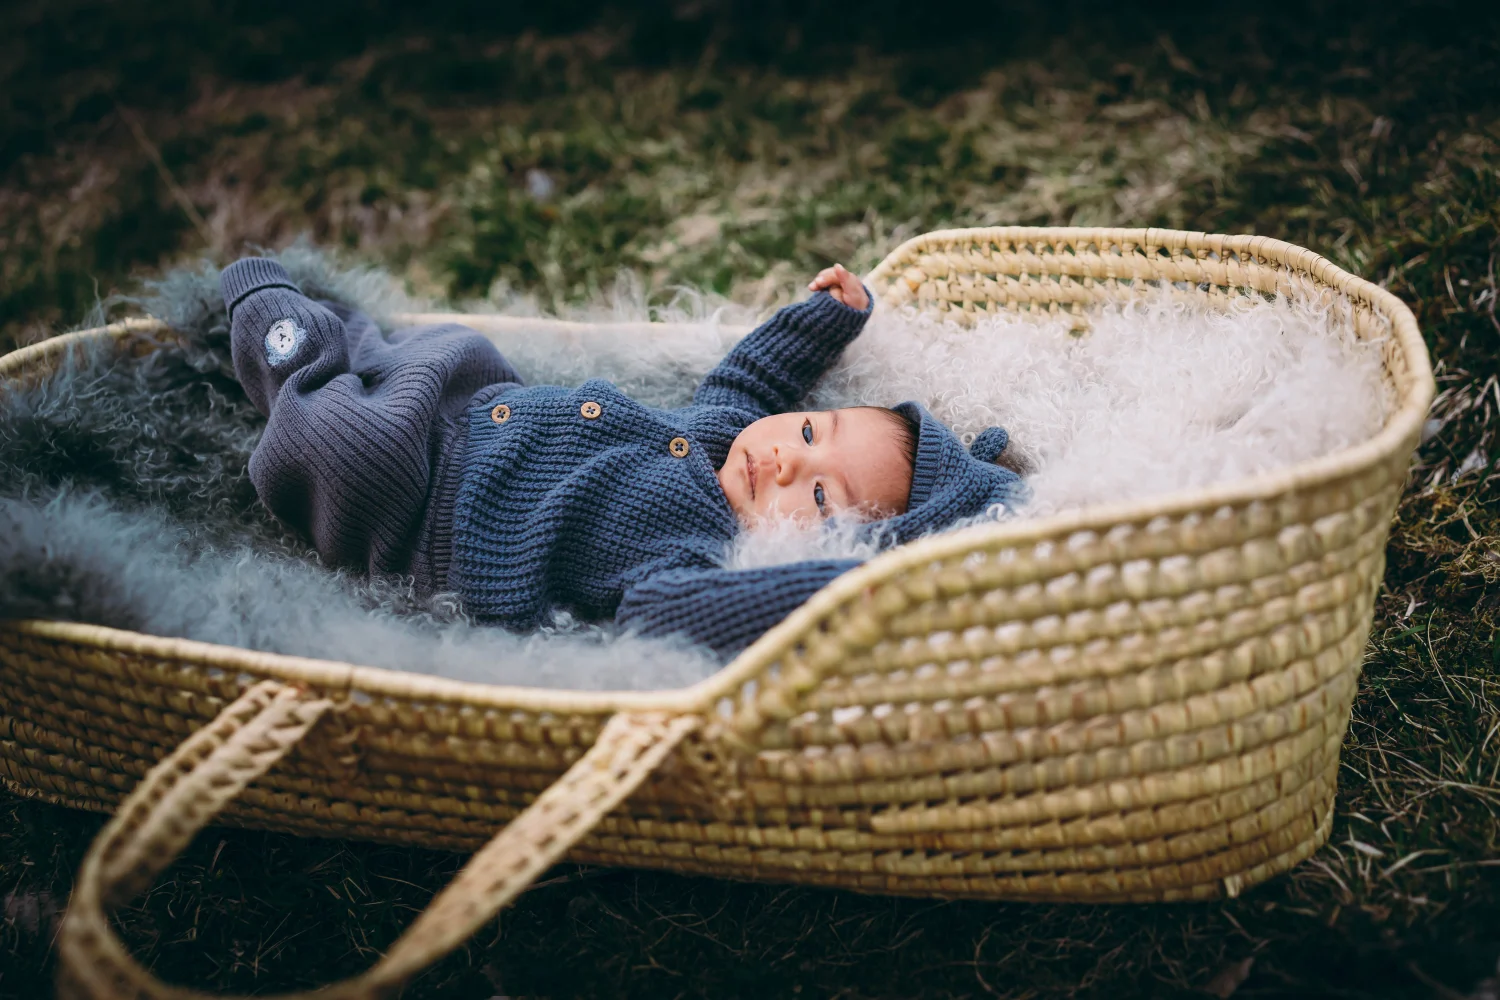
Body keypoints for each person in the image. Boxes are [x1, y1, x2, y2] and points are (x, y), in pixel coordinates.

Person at [220, 256, 1022, 658]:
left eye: (818, 500)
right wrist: (822, 319)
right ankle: (349, 338)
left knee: (348, 444)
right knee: (449, 349)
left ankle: (272, 319)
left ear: (816, 553)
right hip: (475, 409)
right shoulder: (725, 433)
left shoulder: (698, 559)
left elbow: (666, 619)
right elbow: (753, 375)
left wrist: (854, 590)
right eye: (811, 433)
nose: (784, 461)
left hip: (424, 517)